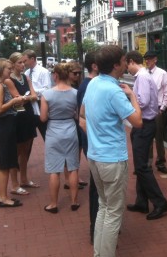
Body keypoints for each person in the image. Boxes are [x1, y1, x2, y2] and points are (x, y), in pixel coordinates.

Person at [79, 45, 142, 257]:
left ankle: (99, 253)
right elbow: (138, 121)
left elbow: (82, 113)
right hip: (112, 159)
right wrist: (132, 95)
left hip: (95, 157)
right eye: (124, 60)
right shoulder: (114, 90)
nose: (126, 63)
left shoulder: (94, 82)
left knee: (104, 207)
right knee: (114, 213)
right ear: (116, 65)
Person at [126, 51, 167, 220]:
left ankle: (160, 202)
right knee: (141, 165)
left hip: (144, 124)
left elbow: (142, 101)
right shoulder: (144, 76)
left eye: (126, 64)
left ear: (131, 62)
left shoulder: (142, 77)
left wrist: (130, 95)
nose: (126, 69)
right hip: (144, 124)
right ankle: (142, 201)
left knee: (142, 167)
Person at [40, 63, 80, 214]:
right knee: (72, 167)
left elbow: (43, 118)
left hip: (54, 131)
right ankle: (74, 201)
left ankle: (53, 204)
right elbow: (77, 114)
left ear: (55, 75)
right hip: (70, 129)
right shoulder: (75, 93)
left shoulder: (47, 94)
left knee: (54, 170)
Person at [0, 58, 26, 207]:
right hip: (5, 125)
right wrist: (13, 102)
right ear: (0, 69)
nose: (10, 71)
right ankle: (4, 198)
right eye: (8, 69)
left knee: (3, 162)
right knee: (5, 163)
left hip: (4, 125)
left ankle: (1, 194)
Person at [5, 52, 39, 196]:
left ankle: (24, 179)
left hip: (28, 115)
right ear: (12, 64)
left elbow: (35, 95)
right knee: (16, 151)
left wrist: (27, 98)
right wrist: (27, 98)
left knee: (26, 150)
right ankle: (14, 184)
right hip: (18, 117)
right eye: (19, 62)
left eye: (23, 62)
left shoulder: (25, 77)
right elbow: (17, 99)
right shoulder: (8, 80)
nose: (22, 65)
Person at [77, 51, 99, 243]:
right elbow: (82, 116)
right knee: (97, 189)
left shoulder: (88, 84)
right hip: (94, 145)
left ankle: (98, 228)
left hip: (93, 144)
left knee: (98, 188)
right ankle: (96, 229)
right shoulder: (89, 85)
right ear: (94, 66)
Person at [144, 50, 167, 174]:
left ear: (155, 59)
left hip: (157, 109)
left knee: (159, 137)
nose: (147, 61)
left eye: (149, 59)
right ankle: (148, 163)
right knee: (147, 137)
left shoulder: (162, 73)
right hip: (146, 110)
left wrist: (162, 109)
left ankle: (161, 162)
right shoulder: (144, 74)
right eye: (146, 59)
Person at [64, 60, 87, 190]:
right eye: (75, 73)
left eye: (79, 73)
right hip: (69, 121)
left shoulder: (78, 86)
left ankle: (75, 175)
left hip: (78, 120)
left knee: (78, 148)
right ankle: (68, 178)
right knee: (69, 150)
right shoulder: (66, 87)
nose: (77, 75)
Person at [22, 49, 52, 140]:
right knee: (28, 136)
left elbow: (47, 89)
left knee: (46, 134)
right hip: (30, 106)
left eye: (25, 61)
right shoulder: (26, 73)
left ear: (32, 59)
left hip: (40, 104)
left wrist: (33, 92)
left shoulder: (43, 71)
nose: (24, 63)